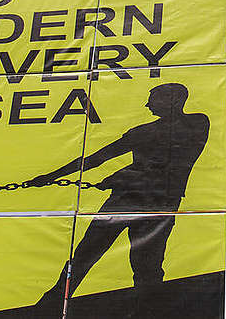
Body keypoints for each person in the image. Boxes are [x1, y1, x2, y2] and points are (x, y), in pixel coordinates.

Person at [29, 82, 209, 308]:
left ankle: (54, 302)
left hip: (132, 200)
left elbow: (102, 158)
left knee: (95, 253)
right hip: (152, 202)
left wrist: (52, 176)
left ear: (173, 100)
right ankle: (56, 300)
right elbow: (101, 159)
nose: (148, 104)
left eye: (153, 98)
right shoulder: (196, 124)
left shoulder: (180, 126)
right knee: (136, 260)